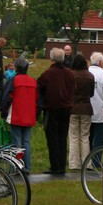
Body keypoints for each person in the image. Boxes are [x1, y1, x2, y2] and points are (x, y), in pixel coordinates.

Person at [38, 47, 75, 175]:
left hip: (51, 110)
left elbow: (40, 89)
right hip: (66, 109)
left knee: (52, 139)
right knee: (62, 138)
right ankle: (62, 165)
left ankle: (55, 166)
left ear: (52, 58)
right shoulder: (70, 73)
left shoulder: (47, 74)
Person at [2, 58, 38, 173]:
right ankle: (27, 166)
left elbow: (7, 97)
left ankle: (17, 167)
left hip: (16, 115)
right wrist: (36, 115)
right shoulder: (33, 81)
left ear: (16, 68)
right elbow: (38, 100)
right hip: (29, 115)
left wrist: (3, 112)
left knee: (16, 142)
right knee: (26, 142)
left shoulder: (14, 81)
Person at [67, 54, 94, 172]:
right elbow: (91, 93)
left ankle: (74, 164)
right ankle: (86, 163)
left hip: (73, 108)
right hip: (86, 107)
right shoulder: (90, 76)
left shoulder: (70, 75)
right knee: (85, 137)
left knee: (73, 136)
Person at [88, 52, 103, 150]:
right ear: (101, 62)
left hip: (86, 111)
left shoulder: (86, 72)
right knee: (99, 140)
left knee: (87, 138)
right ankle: (97, 157)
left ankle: (87, 156)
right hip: (100, 112)